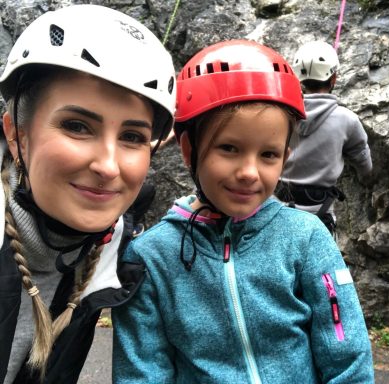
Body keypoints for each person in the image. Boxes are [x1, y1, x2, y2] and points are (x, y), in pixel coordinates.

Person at [112, 39, 374, 383]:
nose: (249, 172)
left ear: (285, 156)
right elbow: (142, 373)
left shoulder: (307, 238)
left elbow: (346, 355)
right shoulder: (150, 257)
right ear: (189, 150)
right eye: (229, 148)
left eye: (268, 155)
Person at [0, 4, 176, 383]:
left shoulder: (106, 251)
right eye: (77, 126)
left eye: (132, 137)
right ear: (16, 135)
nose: (109, 167)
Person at [275, 40, 373, 234]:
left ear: (298, 79)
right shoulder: (347, 120)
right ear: (333, 79)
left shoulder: (281, 115)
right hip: (320, 215)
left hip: (278, 210)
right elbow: (365, 165)